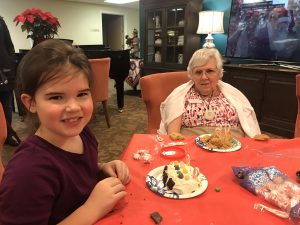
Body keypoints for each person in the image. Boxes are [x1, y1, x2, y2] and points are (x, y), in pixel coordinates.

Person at [0, 39, 131, 224]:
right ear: (31, 103)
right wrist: (91, 209)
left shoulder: (82, 134)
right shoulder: (28, 172)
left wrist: (101, 169)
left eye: (82, 94)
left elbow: (75, 174)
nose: (73, 107)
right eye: (56, 97)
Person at [158, 47, 261, 138]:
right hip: (193, 149)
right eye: (198, 72)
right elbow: (173, 135)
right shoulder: (180, 97)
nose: (204, 77)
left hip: (232, 148)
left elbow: (249, 131)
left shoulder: (234, 95)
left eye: (210, 71)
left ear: (219, 73)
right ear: (191, 75)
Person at [0, 16, 20, 146]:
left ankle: (7, 135)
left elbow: (9, 44)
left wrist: (11, 61)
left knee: (6, 105)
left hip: (5, 70)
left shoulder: (0, 21)